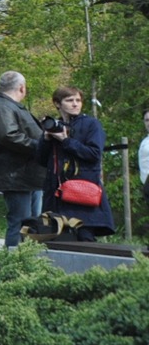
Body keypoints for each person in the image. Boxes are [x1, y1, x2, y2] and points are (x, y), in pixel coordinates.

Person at [0, 70, 46, 248]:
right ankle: (11, 266)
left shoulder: (9, 106)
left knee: (32, 223)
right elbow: (9, 135)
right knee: (20, 223)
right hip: (15, 176)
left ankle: (29, 263)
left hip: (27, 175)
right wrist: (39, 145)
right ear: (22, 88)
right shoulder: (2, 106)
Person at [41, 86, 112, 240]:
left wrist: (65, 141)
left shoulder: (91, 125)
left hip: (82, 193)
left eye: (78, 100)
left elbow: (94, 154)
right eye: (69, 100)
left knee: (85, 241)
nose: (75, 104)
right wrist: (46, 139)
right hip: (56, 195)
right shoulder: (55, 126)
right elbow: (40, 161)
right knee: (57, 243)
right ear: (57, 104)